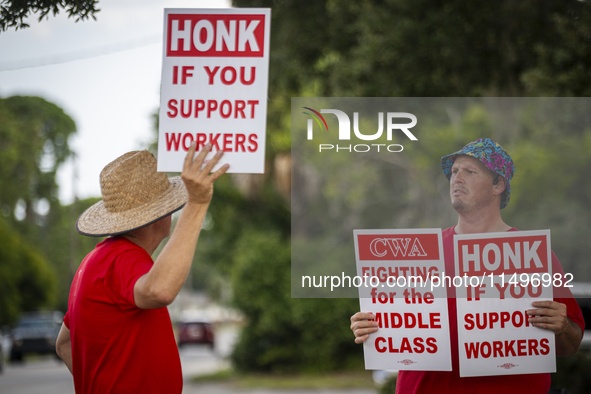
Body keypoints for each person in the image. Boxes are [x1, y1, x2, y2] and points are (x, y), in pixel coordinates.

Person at [350, 138, 585, 393]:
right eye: (454, 172)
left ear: (499, 185)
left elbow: (570, 344)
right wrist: (368, 326)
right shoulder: (418, 255)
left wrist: (561, 327)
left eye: (470, 172)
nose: (456, 179)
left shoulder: (534, 256)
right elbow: (393, 328)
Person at [55, 142, 228, 393]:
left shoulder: (95, 260)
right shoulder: (124, 258)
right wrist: (197, 204)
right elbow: (160, 291)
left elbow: (64, 344)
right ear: (157, 216)